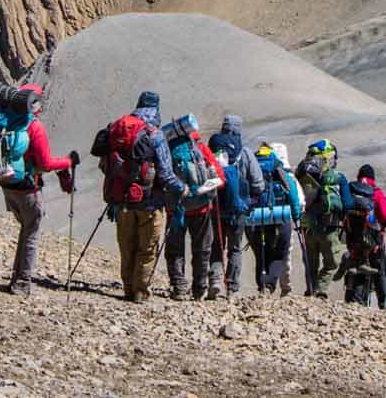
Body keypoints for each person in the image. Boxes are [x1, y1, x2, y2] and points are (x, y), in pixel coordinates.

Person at [0, 84, 77, 296]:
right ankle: (22, 282)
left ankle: (16, 278)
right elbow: (45, 163)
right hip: (28, 187)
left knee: (26, 229)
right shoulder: (33, 127)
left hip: (6, 183)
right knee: (31, 234)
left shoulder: (3, 119)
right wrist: (68, 162)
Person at [94, 90, 184, 303]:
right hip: (150, 203)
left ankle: (127, 288)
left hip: (122, 201)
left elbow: (104, 163)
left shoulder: (118, 129)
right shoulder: (155, 134)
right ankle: (140, 292)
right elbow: (166, 174)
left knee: (127, 246)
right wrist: (181, 188)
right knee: (147, 249)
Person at [163, 116, 227, 300]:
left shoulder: (167, 150)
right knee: (202, 248)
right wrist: (202, 191)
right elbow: (221, 177)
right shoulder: (200, 148)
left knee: (175, 249)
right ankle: (200, 288)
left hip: (175, 209)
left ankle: (179, 287)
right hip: (201, 208)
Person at [206, 115, 266, 298]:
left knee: (216, 245)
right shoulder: (245, 153)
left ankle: (215, 280)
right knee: (235, 247)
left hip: (215, 205)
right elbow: (258, 183)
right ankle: (232, 287)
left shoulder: (211, 149)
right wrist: (252, 198)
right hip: (238, 208)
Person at [294, 139, 352, 298]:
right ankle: (320, 290)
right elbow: (347, 204)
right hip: (330, 227)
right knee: (332, 263)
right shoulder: (339, 178)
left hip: (307, 226)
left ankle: (310, 289)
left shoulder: (301, 176)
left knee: (310, 262)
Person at [248, 143, 304, 294]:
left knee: (261, 252)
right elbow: (292, 193)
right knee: (281, 250)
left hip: (256, 215)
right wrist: (297, 216)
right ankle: (270, 284)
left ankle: (261, 286)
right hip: (279, 213)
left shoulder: (251, 168)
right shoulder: (278, 168)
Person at [341, 164, 386, 307]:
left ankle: (356, 300)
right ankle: (384, 303)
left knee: (358, 267)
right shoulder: (377, 193)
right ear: (372, 177)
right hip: (373, 239)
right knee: (379, 270)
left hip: (353, 238)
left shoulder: (352, 190)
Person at [271, 143, 302, 296]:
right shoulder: (289, 178)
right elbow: (298, 201)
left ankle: (267, 285)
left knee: (268, 252)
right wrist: (297, 218)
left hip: (265, 218)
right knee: (285, 254)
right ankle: (286, 287)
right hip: (285, 219)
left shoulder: (265, 174)